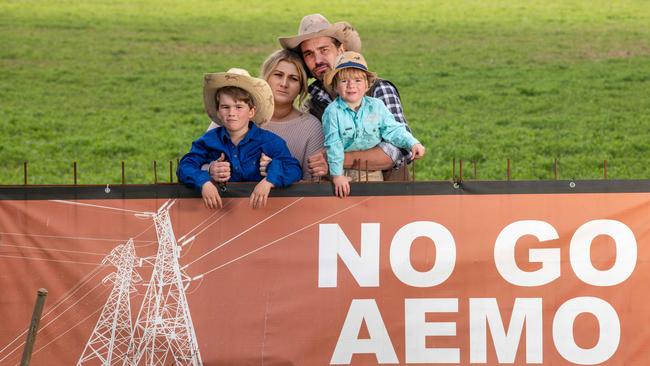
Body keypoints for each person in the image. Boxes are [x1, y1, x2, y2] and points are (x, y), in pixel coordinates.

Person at [278, 13, 413, 181]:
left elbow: (399, 150)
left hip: (387, 197)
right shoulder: (312, 103)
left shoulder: (378, 89)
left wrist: (336, 158)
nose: (318, 60)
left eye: (324, 50)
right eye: (309, 54)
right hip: (337, 202)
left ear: (341, 50)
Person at [178, 68, 301, 209]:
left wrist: (269, 180)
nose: (231, 113)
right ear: (218, 111)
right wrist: (205, 182)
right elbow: (185, 166)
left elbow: (294, 169)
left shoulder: (270, 142)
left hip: (260, 212)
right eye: (225, 107)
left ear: (251, 111)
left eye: (238, 107)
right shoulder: (208, 141)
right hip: (220, 214)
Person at [208, 50, 327, 182]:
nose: (284, 84)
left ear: (301, 87)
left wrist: (277, 171)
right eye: (278, 75)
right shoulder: (233, 115)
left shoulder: (310, 127)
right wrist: (211, 169)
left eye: (293, 78)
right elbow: (197, 163)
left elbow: (313, 185)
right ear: (265, 78)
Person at [322, 52, 425, 197]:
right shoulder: (332, 112)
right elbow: (333, 143)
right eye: (344, 81)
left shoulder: (377, 106)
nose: (351, 85)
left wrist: (412, 143)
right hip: (339, 167)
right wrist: (337, 176)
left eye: (358, 80)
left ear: (367, 85)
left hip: (370, 168)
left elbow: (393, 129)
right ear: (336, 87)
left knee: (370, 202)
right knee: (341, 202)